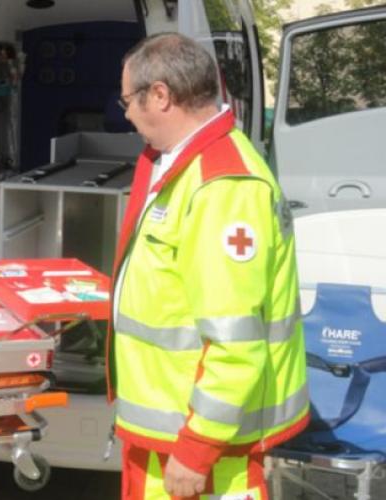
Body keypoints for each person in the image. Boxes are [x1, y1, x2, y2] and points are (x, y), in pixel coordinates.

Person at [107, 33, 309, 499]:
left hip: (202, 452)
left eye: (127, 101)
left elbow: (236, 342)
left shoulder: (223, 186)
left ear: (159, 95)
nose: (127, 115)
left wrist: (197, 449)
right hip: (166, 431)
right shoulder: (177, 161)